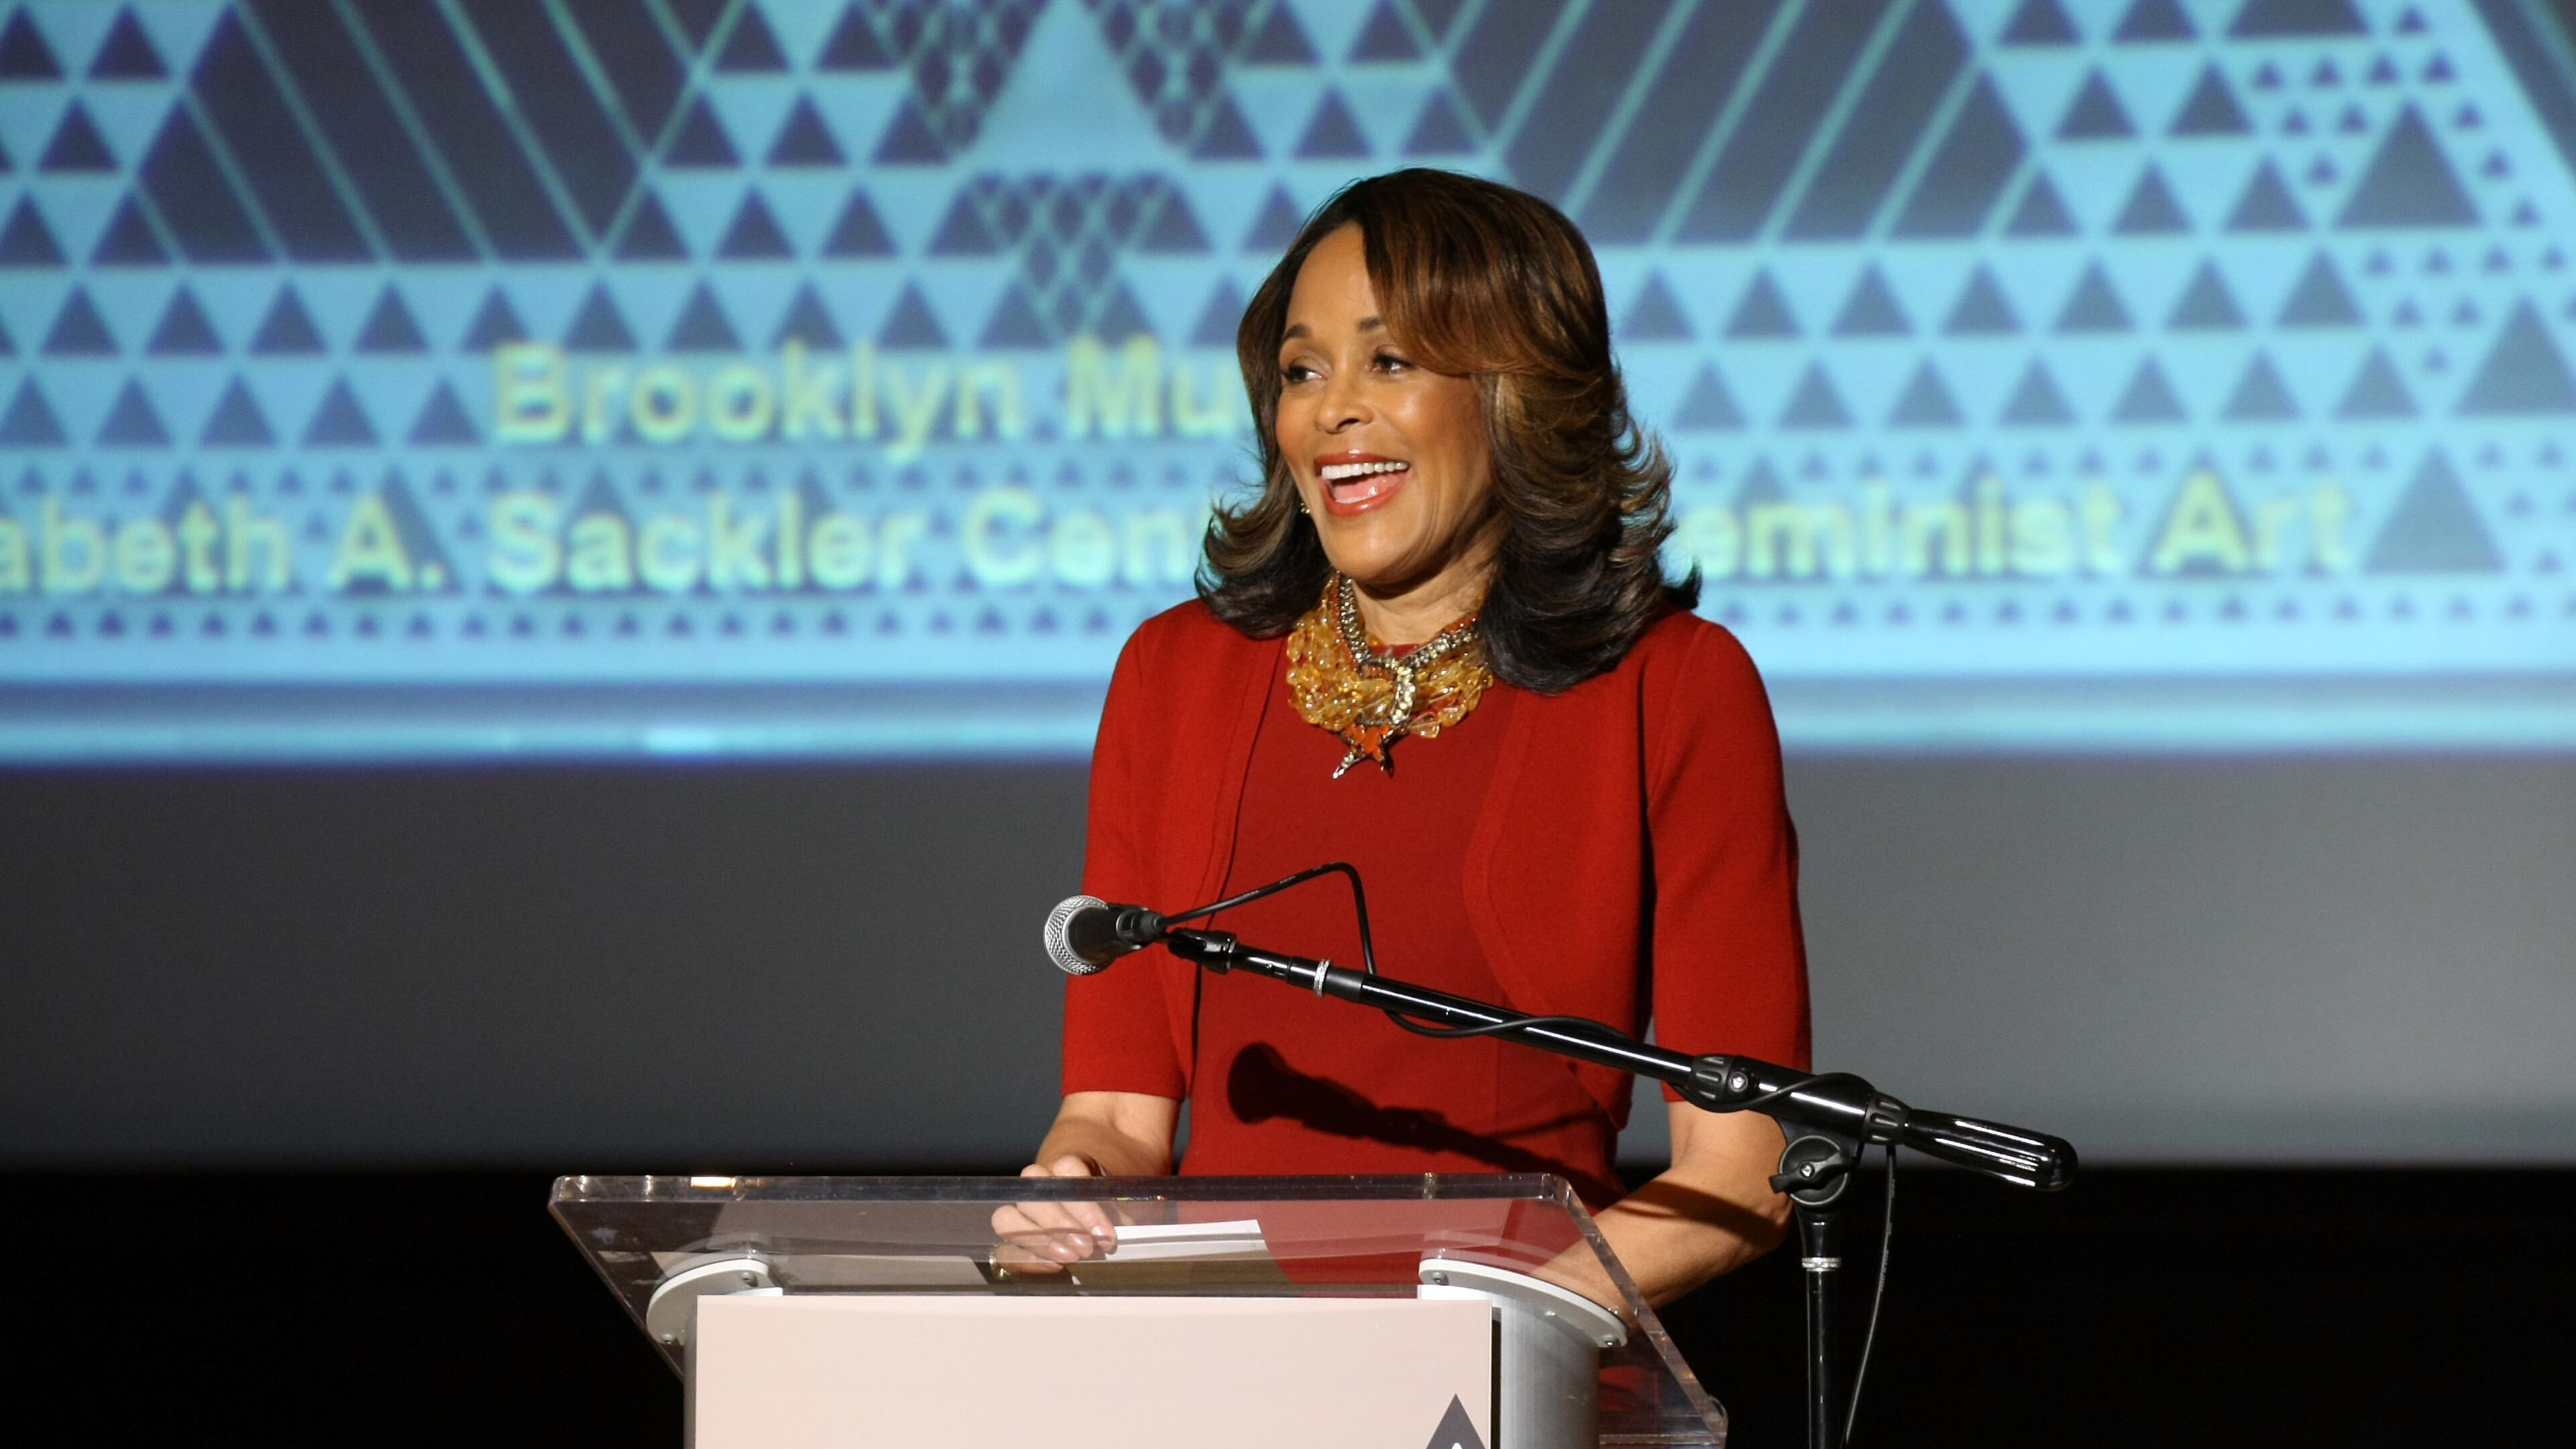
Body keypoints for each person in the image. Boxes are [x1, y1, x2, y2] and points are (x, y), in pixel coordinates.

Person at [1001, 169, 1810, 1313]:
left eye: (1390, 362)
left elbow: (1743, 1171)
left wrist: (1502, 1326)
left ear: (1515, 392)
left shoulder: (1670, 687)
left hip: (1507, 1365)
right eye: (1302, 370)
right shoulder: (1175, 674)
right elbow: (1116, 1116)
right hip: (1217, 1357)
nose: (1332, 410)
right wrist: (1076, 1188)